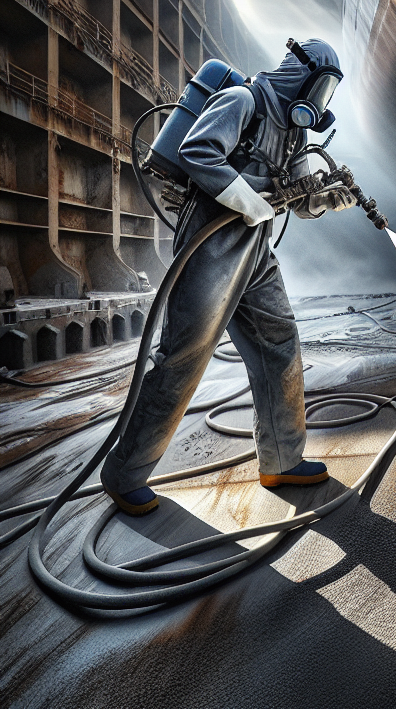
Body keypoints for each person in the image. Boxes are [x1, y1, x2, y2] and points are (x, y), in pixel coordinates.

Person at [101, 39, 356, 515]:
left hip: (255, 251)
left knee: (279, 342)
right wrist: (253, 202)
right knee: (183, 357)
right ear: (299, 74)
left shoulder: (293, 134)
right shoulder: (243, 101)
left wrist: (328, 198)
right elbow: (198, 150)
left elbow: (298, 202)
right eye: (321, 89)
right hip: (210, 244)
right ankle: (124, 474)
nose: (320, 104)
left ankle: (281, 459)